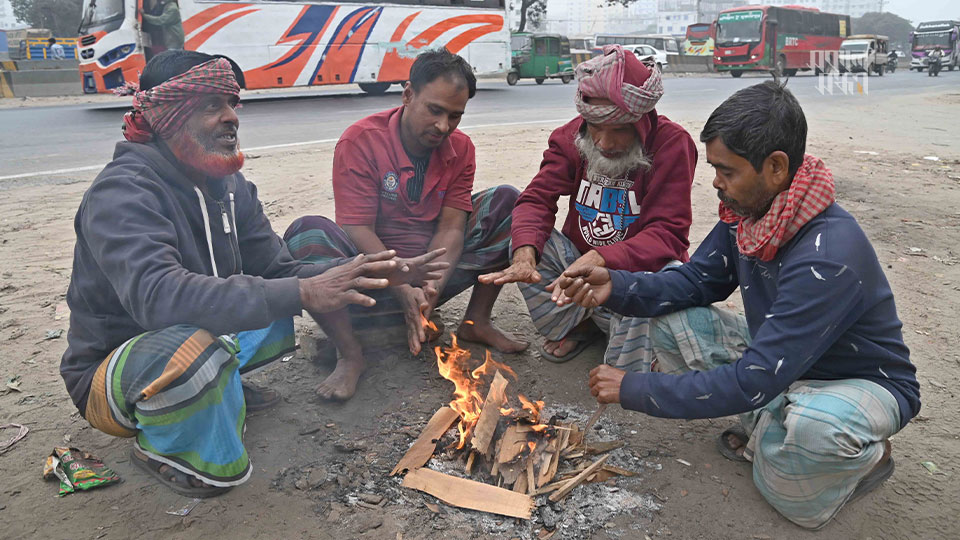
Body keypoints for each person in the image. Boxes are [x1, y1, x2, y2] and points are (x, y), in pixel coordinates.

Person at [60, 50, 445, 498]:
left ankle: (220, 388)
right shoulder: (123, 191)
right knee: (203, 348)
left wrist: (369, 271)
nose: (231, 118)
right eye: (212, 106)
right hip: (112, 374)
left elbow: (279, 268)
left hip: (191, 336)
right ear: (168, 114)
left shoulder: (229, 186)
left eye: (232, 103)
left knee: (277, 297)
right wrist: (303, 290)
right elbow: (159, 297)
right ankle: (161, 446)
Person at [553, 81, 920, 530]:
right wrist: (616, 286)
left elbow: (753, 379)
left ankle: (864, 456)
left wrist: (635, 389)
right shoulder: (750, 215)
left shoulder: (827, 256)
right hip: (785, 359)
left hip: (853, 380)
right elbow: (696, 281)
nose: (716, 183)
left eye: (726, 171)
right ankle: (773, 423)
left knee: (795, 481)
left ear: (776, 167)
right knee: (667, 321)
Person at [283, 48, 526, 401]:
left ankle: (476, 322)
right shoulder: (361, 141)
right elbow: (357, 226)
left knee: (508, 202)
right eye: (435, 110)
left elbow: (452, 228)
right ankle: (350, 355)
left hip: (429, 270)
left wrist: (429, 292)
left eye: (455, 116)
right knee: (307, 233)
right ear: (408, 93)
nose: (444, 126)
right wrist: (400, 281)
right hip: (372, 272)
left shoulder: (461, 148)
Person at [479, 44, 696, 369]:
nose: (604, 144)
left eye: (619, 131)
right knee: (523, 235)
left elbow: (668, 235)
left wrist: (602, 257)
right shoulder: (570, 137)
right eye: (596, 128)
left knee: (665, 275)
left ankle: (627, 368)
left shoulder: (671, 144)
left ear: (641, 120)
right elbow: (536, 200)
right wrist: (525, 254)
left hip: (631, 276)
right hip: (577, 275)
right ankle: (581, 326)